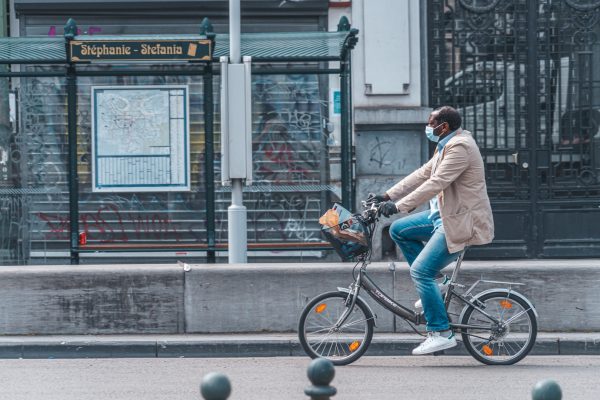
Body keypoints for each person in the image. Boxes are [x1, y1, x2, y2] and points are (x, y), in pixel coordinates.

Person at [368, 106, 494, 355]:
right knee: (398, 230)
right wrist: (387, 195)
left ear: (443, 126)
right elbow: (422, 174)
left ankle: (441, 332)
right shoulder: (445, 145)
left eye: (431, 123)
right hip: (442, 217)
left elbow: (436, 183)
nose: (428, 127)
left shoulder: (460, 148)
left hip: (459, 223)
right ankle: (438, 284)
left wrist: (398, 206)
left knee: (420, 271)